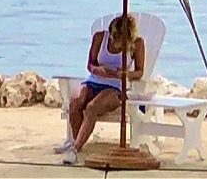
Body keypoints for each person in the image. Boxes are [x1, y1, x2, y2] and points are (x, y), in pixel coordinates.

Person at [54, 14, 145, 165]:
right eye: (113, 38)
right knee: (76, 102)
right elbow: (90, 64)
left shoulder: (137, 43)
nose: (114, 42)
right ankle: (77, 143)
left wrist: (125, 74)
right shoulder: (100, 38)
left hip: (115, 88)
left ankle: (75, 149)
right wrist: (97, 70)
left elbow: (140, 72)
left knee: (91, 108)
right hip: (93, 81)